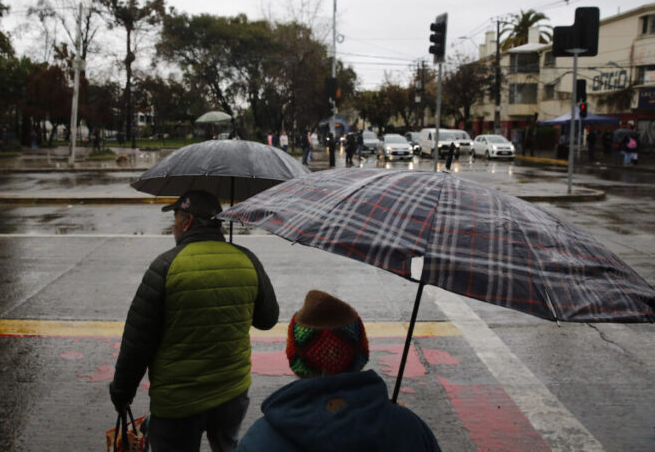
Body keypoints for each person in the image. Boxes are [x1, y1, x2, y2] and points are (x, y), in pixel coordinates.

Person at [109, 190, 280, 452]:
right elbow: (267, 319)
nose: (174, 227)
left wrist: (122, 391)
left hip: (178, 403)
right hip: (232, 393)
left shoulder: (165, 266)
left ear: (187, 222)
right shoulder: (246, 259)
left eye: (176, 219)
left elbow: (138, 342)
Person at [237, 290, 442, 452]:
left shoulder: (259, 438)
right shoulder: (407, 429)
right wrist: (398, 417)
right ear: (360, 353)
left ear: (294, 356)